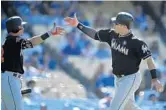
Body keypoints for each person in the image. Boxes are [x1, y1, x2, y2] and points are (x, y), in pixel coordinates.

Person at [64, 12, 163, 110]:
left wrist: (154, 78)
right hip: (118, 79)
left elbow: (149, 60)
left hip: (130, 78)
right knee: (129, 107)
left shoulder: (137, 43)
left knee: (114, 107)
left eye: (116, 23)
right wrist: (78, 25)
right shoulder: (111, 34)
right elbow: (95, 34)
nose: (114, 24)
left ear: (124, 26)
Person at [1, 16, 64, 110]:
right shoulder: (13, 40)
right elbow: (32, 42)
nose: (22, 28)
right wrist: (49, 33)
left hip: (9, 79)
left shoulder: (10, 42)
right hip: (10, 79)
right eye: (21, 26)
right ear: (16, 28)